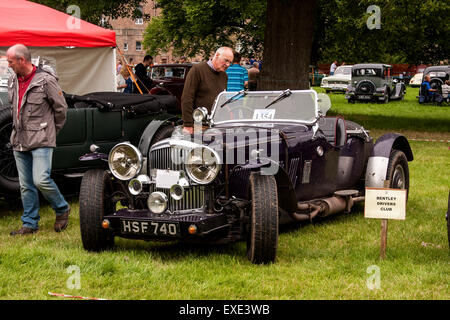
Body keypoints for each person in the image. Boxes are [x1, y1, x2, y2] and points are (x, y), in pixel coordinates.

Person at [6, 44, 70, 235]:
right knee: (26, 185)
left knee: (41, 179)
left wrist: (51, 131)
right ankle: (30, 223)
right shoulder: (13, 80)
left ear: (21, 60)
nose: (8, 65)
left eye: (10, 61)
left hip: (41, 139)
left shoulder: (45, 81)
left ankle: (61, 208)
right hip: (19, 139)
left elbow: (61, 109)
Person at [181, 47, 234, 134]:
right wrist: (188, 124)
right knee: (198, 147)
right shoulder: (197, 70)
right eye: (226, 60)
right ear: (217, 55)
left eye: (230, 62)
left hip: (217, 125)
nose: (228, 64)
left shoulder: (224, 76)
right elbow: (187, 98)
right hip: (198, 124)